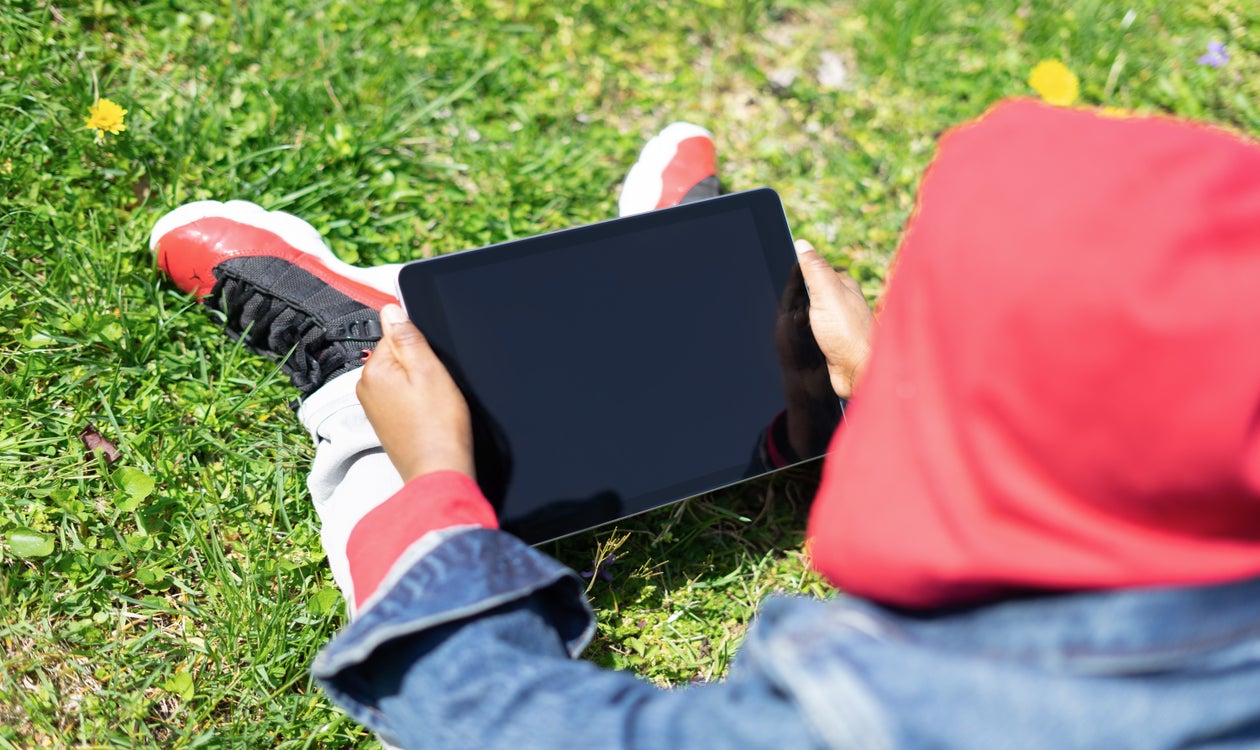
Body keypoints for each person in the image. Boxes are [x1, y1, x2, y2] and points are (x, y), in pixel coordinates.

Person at [151, 99, 1260, 749]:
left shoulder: (891, 721)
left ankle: (352, 362)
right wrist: (891, 381)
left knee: (395, 430)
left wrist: (440, 484)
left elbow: (495, 712)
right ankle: (684, 263)